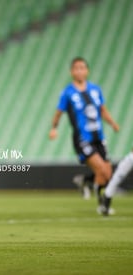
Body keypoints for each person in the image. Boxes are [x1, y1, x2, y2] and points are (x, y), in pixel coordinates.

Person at [49, 57, 119, 215]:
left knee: (108, 175)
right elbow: (59, 113)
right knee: (101, 169)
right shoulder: (67, 92)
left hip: (99, 137)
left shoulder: (95, 89)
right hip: (82, 138)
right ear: (71, 72)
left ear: (87, 71)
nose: (79, 71)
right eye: (76, 68)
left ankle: (86, 181)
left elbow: (103, 110)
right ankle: (103, 206)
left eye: (82, 68)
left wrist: (112, 123)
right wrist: (54, 128)